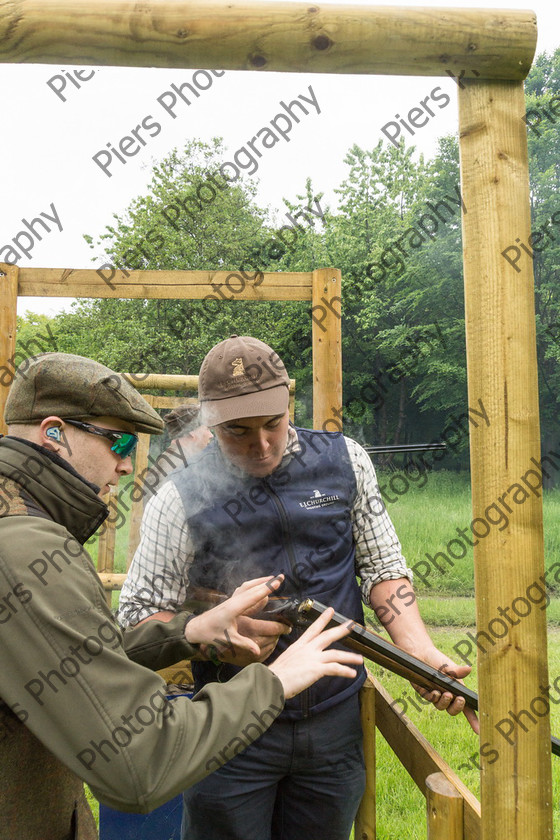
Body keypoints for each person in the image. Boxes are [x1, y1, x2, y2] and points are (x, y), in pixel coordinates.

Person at [119, 335, 478, 840]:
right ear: (208, 420)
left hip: (334, 723)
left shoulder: (346, 460)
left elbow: (383, 569)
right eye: (237, 431)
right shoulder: (177, 496)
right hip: (228, 728)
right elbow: (137, 616)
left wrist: (423, 658)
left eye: (272, 423)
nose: (261, 445)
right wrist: (214, 635)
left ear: (289, 400)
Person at [0, 351, 363, 840]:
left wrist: (189, 631)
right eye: (119, 440)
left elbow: (66, 658)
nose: (127, 465)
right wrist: (275, 681)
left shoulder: (21, 528)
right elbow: (135, 765)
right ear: (53, 433)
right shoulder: (26, 547)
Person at [142, 404, 212, 502]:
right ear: (192, 431)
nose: (211, 435)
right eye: (207, 429)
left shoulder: (179, 460)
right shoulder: (175, 466)